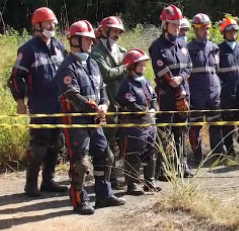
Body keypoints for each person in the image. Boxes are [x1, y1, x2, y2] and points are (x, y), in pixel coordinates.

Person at [55, 20, 125, 214]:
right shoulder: (67, 67)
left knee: (105, 155)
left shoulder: (92, 64)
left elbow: (102, 89)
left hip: (95, 121)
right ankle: (79, 200)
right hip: (76, 122)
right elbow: (72, 94)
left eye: (92, 39)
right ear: (75, 40)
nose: (91, 43)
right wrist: (93, 108)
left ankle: (104, 195)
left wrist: (104, 104)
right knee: (80, 162)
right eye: (87, 39)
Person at [10, 7, 68, 197]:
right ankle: (31, 184)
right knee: (39, 145)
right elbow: (16, 78)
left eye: (54, 23)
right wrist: (20, 101)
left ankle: (48, 181)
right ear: (37, 25)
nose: (52, 26)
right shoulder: (28, 50)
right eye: (48, 23)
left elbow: (69, 71)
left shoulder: (59, 46)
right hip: (40, 104)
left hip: (59, 104)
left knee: (57, 142)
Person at [149, 5, 193, 178]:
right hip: (166, 94)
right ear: (165, 25)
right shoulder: (157, 46)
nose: (177, 28)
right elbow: (160, 68)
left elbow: (189, 66)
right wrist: (173, 82)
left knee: (181, 130)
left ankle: (182, 165)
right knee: (165, 132)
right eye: (173, 24)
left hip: (184, 93)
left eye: (178, 24)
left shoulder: (182, 44)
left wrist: (181, 79)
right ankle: (163, 169)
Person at [115, 49, 162, 195]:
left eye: (144, 65)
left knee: (151, 153)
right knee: (133, 155)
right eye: (140, 65)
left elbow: (153, 98)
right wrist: (145, 111)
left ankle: (150, 181)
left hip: (149, 125)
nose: (144, 67)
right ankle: (132, 184)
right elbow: (131, 105)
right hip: (133, 127)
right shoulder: (126, 85)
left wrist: (153, 109)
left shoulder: (145, 82)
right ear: (131, 66)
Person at [91, 16, 128, 190]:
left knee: (123, 140)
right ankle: (110, 178)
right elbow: (105, 73)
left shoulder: (122, 51)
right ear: (104, 31)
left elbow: (130, 75)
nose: (117, 35)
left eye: (119, 32)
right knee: (109, 141)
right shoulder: (96, 52)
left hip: (123, 102)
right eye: (114, 31)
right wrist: (125, 68)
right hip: (107, 102)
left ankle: (121, 175)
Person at [186, 13, 224, 164]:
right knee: (195, 126)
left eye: (207, 28)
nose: (206, 31)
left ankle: (218, 156)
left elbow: (218, 70)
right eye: (202, 28)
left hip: (214, 92)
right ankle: (197, 157)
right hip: (196, 93)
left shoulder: (214, 47)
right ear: (195, 30)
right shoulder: (188, 48)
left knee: (216, 124)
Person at [217, 16, 239, 159]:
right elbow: (215, 71)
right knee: (228, 125)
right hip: (226, 95)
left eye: (235, 31)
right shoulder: (218, 50)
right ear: (224, 32)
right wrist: (222, 86)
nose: (233, 33)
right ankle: (230, 152)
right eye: (230, 31)